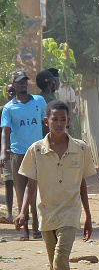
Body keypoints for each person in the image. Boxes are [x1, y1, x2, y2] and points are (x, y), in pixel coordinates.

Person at [15, 99, 95, 270]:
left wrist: (88, 215)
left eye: (63, 119)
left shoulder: (80, 149)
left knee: (61, 261)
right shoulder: (36, 150)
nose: (59, 124)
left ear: (68, 121)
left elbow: (82, 183)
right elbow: (30, 185)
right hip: (45, 215)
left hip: (70, 215)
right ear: (46, 121)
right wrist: (22, 211)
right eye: (55, 119)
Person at [1, 70, 46, 241]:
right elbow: (5, 131)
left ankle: (37, 228)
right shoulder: (9, 108)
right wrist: (3, 152)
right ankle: (25, 230)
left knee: (37, 191)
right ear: (13, 84)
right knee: (21, 192)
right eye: (19, 82)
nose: (23, 84)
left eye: (25, 81)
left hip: (37, 152)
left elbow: (45, 125)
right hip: (18, 153)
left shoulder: (38, 101)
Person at [0, 83, 15, 223]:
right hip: (8, 152)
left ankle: (26, 213)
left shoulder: (22, 109)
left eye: (13, 92)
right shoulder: (3, 110)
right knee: (9, 183)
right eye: (9, 92)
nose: (11, 94)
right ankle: (10, 214)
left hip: (21, 151)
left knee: (26, 183)